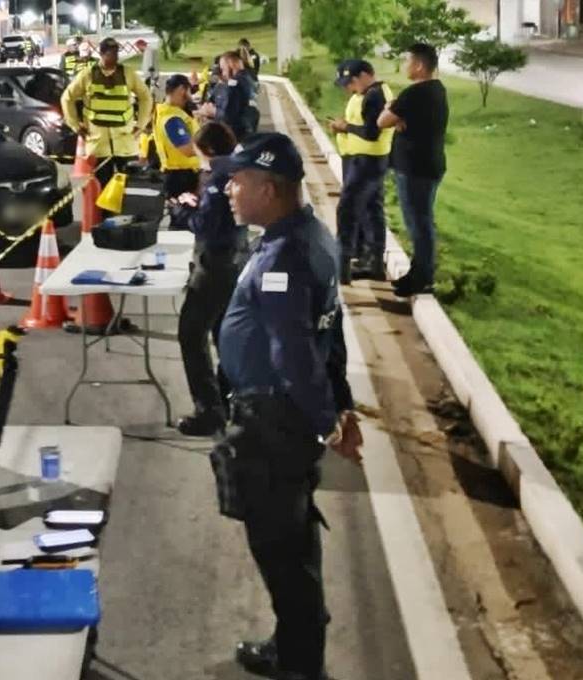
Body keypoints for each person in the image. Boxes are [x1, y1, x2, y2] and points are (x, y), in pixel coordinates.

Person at [214, 132, 362, 680]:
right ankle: (295, 645)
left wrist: (330, 422)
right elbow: (332, 330)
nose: (229, 189)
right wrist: (341, 407)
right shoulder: (309, 235)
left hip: (273, 426)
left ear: (270, 189)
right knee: (292, 541)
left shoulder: (284, 256)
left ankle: (300, 665)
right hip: (283, 421)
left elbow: (294, 351)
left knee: (281, 550)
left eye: (239, 181)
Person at [167, 122, 243, 435]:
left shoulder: (217, 178)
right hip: (233, 260)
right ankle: (230, 400)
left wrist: (180, 212)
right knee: (223, 334)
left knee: (191, 334)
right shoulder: (236, 168)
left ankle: (209, 410)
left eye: (199, 154)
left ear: (209, 151)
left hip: (214, 265)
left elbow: (206, 225)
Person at [378, 43, 449, 297]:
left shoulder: (414, 94)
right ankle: (418, 272)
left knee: (418, 223)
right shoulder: (437, 90)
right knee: (422, 221)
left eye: (407, 60)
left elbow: (382, 122)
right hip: (430, 165)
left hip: (415, 168)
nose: (405, 65)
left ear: (419, 65)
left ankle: (423, 278)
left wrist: (391, 109)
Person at [61, 37, 153, 215]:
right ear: (102, 54)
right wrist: (75, 124)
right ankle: (108, 225)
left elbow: (146, 97)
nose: (114, 57)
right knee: (105, 191)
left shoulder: (128, 73)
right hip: (99, 144)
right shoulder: (88, 74)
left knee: (130, 189)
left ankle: (129, 225)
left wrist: (140, 125)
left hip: (125, 143)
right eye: (110, 53)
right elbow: (67, 98)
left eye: (116, 53)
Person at [328, 59, 393, 283]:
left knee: (347, 211)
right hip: (372, 159)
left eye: (353, 81)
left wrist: (346, 127)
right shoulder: (374, 93)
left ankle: (342, 267)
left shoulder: (374, 95)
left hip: (366, 161)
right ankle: (374, 264)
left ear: (367, 75)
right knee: (373, 210)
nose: (350, 86)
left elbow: (371, 132)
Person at [153, 75, 201, 211]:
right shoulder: (173, 119)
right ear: (181, 89)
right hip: (181, 178)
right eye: (189, 91)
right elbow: (186, 149)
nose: (191, 96)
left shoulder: (164, 112)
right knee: (184, 219)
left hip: (178, 175)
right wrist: (212, 148)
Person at [202, 51, 257, 141]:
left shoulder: (235, 84)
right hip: (245, 133)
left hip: (234, 136)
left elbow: (230, 115)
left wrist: (213, 111)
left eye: (223, 69)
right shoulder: (247, 78)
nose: (223, 73)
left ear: (232, 64)